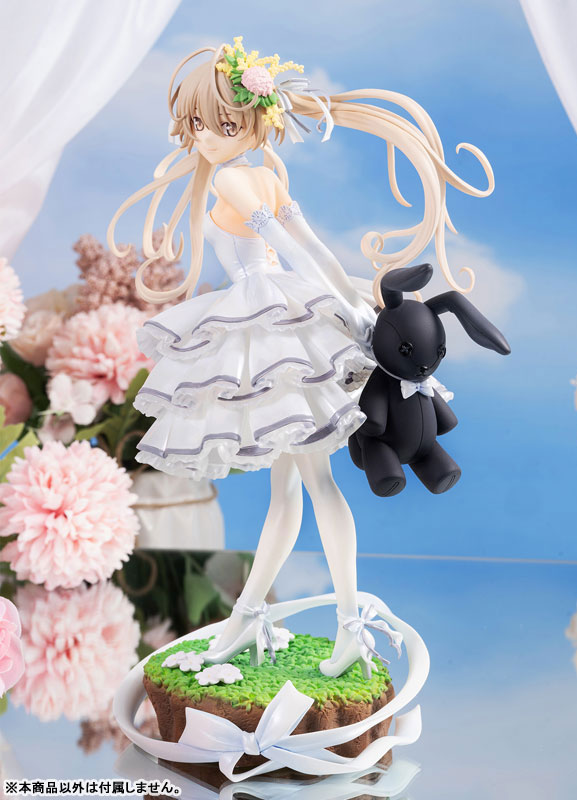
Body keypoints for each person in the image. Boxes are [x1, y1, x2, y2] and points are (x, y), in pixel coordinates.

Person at [108, 36, 493, 678]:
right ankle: (251, 615)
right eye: (196, 123)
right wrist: (352, 305)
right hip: (283, 318)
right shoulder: (266, 173)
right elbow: (314, 251)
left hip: (269, 330)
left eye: (222, 124)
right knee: (290, 494)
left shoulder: (234, 176)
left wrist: (351, 309)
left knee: (312, 487)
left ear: (253, 121)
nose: (205, 136)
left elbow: (295, 248)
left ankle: (345, 626)